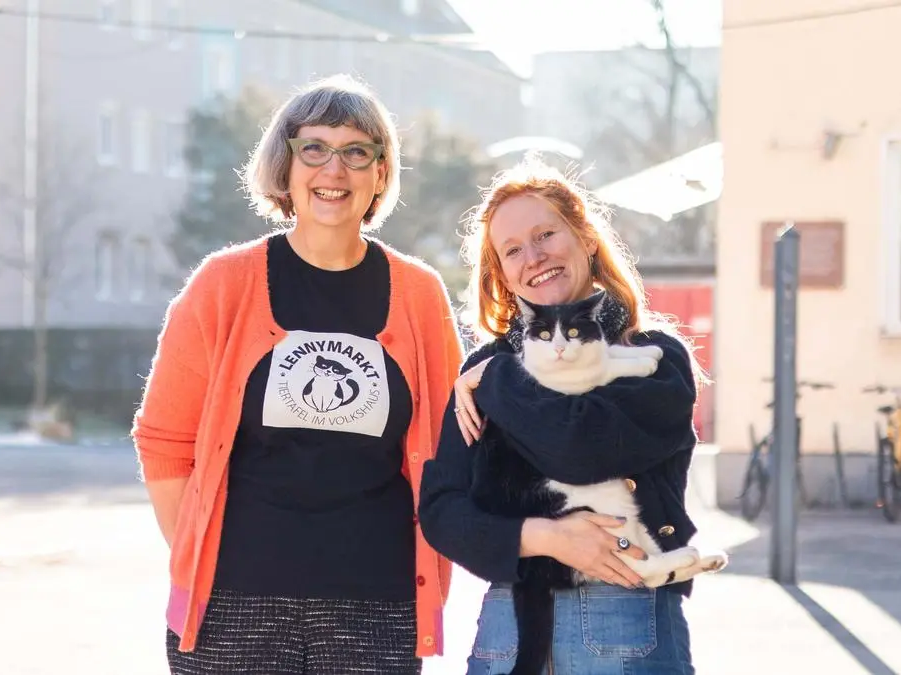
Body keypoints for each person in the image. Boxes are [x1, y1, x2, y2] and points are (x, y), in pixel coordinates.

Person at [131, 74, 463, 674]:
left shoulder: (419, 294)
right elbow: (164, 443)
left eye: (356, 152)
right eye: (315, 149)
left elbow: (451, 446)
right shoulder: (223, 284)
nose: (334, 170)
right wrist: (201, 560)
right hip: (233, 606)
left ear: (380, 174)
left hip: (377, 608)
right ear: (286, 167)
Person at [418, 156, 708, 674]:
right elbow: (442, 510)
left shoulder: (656, 360)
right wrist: (543, 536)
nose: (533, 256)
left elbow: (580, 449)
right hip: (509, 627)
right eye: (512, 250)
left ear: (586, 239)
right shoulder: (483, 372)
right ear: (502, 276)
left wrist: (499, 378)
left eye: (546, 234)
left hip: (625, 616)